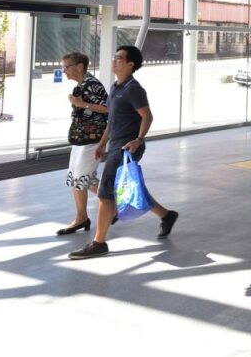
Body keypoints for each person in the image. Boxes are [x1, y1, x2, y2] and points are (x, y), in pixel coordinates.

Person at [69, 45, 178, 259]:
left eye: (118, 58)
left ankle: (99, 242)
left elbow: (147, 117)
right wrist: (102, 144)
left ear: (130, 64)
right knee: (132, 187)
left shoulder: (133, 89)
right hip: (115, 146)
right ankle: (167, 215)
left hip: (127, 148)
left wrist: (138, 140)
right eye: (114, 56)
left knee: (105, 193)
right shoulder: (116, 87)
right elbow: (112, 120)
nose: (114, 60)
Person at [57, 52, 109, 236]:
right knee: (77, 177)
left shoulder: (91, 85)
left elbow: (108, 107)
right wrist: (78, 103)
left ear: (79, 66)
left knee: (81, 177)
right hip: (82, 137)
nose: (64, 71)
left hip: (92, 138)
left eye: (66, 67)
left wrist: (82, 104)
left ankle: (109, 207)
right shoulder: (82, 85)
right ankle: (83, 216)